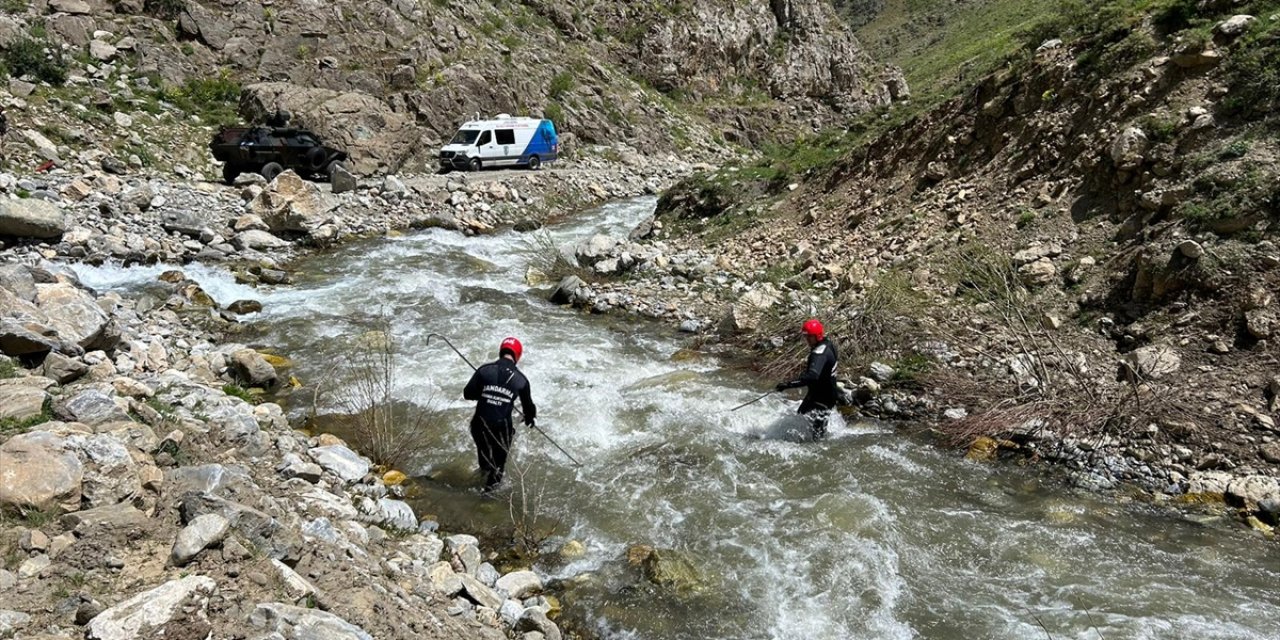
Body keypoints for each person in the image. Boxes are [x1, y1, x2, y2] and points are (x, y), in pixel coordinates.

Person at [463, 337, 537, 490]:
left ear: (500, 351)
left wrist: (486, 393)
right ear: (518, 356)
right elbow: (529, 410)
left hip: (479, 425)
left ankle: (482, 474)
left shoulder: (484, 370)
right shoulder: (521, 380)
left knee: (484, 458)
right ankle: (487, 500)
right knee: (497, 467)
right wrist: (529, 419)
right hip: (501, 429)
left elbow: (467, 393)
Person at [775, 319, 840, 439]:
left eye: (809, 337)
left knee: (816, 434)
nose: (807, 340)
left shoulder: (819, 353)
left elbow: (812, 376)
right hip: (822, 394)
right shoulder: (828, 344)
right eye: (806, 336)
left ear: (817, 336)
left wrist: (788, 384)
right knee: (801, 418)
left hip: (822, 397)